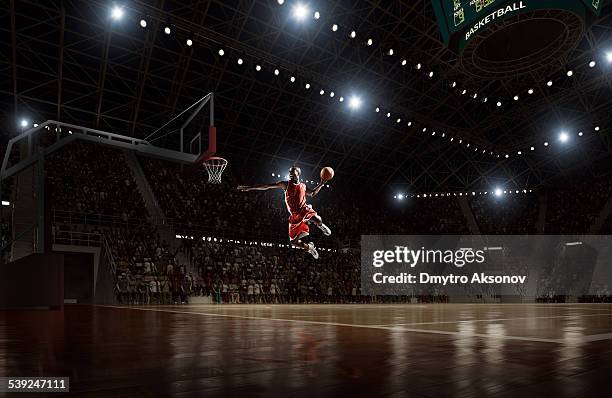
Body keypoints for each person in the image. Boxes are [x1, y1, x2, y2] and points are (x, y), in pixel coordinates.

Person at [238, 166, 331, 259]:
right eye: (289, 172)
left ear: (298, 173)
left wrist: (322, 183)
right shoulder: (285, 184)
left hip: (303, 209)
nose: (290, 174)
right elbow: (267, 186)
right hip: (294, 216)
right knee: (293, 242)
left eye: (292, 172)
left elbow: (313, 193)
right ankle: (309, 247)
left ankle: (321, 226)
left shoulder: (303, 186)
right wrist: (249, 188)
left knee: (317, 219)